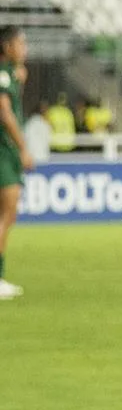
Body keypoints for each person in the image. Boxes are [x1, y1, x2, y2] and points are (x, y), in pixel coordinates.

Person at [0, 26, 34, 299]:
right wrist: (23, 147)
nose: (25, 49)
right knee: (6, 214)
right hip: (4, 152)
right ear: (7, 46)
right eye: (21, 43)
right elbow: (4, 111)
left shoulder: (10, 74)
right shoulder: (2, 74)